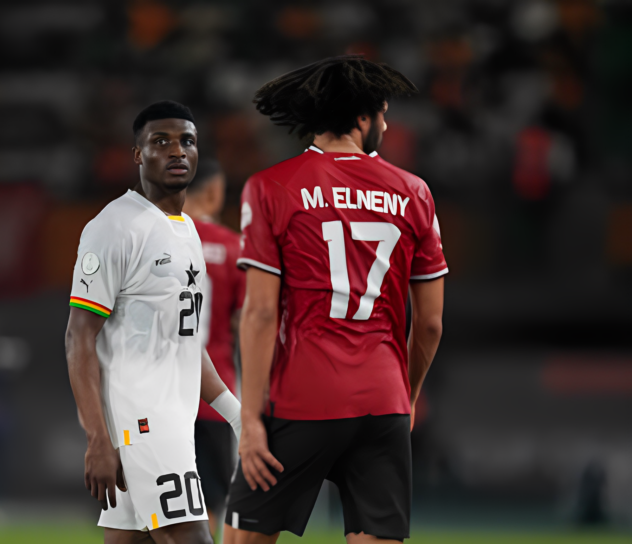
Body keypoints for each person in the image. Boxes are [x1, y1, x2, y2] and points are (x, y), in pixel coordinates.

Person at [223, 56, 447, 544]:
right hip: (384, 403)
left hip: (303, 398)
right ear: (362, 118)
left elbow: (260, 313)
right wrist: (404, 396)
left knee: (242, 540)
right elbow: (429, 325)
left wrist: (252, 418)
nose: (386, 125)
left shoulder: (270, 187)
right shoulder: (415, 193)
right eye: (383, 114)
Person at [65, 101, 242, 544]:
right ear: (138, 154)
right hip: (143, 425)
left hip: (171, 421)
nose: (177, 151)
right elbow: (79, 336)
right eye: (160, 142)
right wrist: (97, 439)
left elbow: (185, 342)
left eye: (186, 141)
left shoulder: (186, 232)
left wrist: (236, 416)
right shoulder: (114, 226)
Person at [182, 159, 246, 539]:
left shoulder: (155, 239)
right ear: (214, 192)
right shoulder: (232, 246)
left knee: (158, 493)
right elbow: (246, 321)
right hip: (214, 392)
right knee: (208, 498)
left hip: (159, 389)